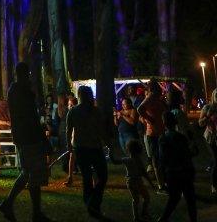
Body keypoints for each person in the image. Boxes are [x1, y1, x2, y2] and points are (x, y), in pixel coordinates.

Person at [0, 63, 50, 222]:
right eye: (28, 73)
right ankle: (35, 213)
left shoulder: (14, 90)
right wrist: (43, 138)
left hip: (23, 137)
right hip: (29, 137)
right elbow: (31, 117)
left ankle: (10, 204)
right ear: (24, 74)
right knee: (33, 174)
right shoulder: (22, 91)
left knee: (27, 173)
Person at [66, 85, 110, 219]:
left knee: (87, 177)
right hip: (93, 147)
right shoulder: (94, 111)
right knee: (101, 176)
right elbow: (101, 129)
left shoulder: (75, 111)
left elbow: (68, 130)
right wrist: (107, 141)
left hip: (82, 148)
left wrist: (69, 144)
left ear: (79, 96)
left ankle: (91, 202)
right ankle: (93, 203)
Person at [158, 111, 197, 222]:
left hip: (172, 172)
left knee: (174, 198)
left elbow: (162, 159)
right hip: (184, 171)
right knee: (190, 199)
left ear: (164, 123)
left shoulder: (163, 138)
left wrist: (163, 176)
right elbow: (188, 154)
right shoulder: (181, 137)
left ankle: (163, 219)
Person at [137, 79, 167, 191]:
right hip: (153, 133)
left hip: (160, 131)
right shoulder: (151, 97)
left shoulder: (156, 98)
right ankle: (161, 185)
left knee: (161, 158)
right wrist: (150, 119)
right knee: (157, 159)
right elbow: (140, 109)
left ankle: (164, 182)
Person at [117, 140, 155, 222]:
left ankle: (137, 217)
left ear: (128, 149)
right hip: (138, 182)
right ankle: (143, 214)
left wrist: (110, 154)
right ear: (138, 150)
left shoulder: (126, 159)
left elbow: (115, 161)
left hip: (131, 182)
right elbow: (144, 173)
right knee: (146, 197)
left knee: (136, 200)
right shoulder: (138, 161)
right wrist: (151, 183)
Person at [64, 94, 79, 186]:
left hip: (77, 139)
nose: (68, 106)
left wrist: (69, 143)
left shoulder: (73, 112)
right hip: (75, 139)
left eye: (69, 104)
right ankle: (70, 177)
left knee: (73, 158)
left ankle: (70, 178)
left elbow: (68, 129)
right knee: (72, 158)